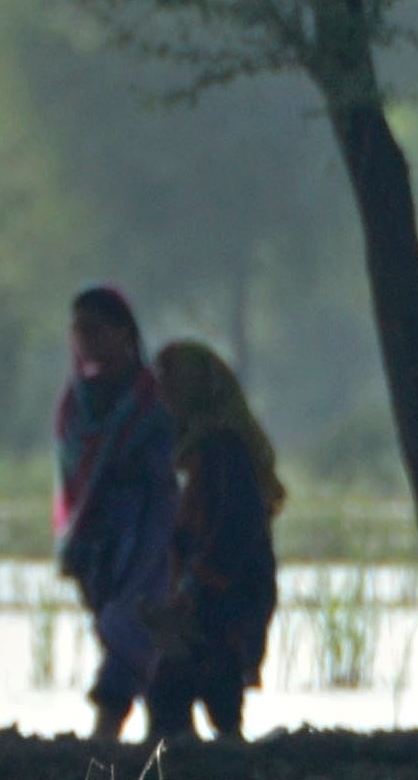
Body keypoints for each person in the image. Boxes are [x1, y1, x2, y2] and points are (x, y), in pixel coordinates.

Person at [53, 286, 178, 744]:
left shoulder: (149, 399)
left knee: (133, 622)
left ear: (123, 334)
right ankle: (158, 736)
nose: (85, 340)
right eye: (78, 330)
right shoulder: (76, 402)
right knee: (120, 628)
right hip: (95, 538)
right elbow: (73, 466)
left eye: (95, 329)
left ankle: (105, 734)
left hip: (146, 531)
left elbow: (163, 472)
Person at [148, 338, 284, 745]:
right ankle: (215, 768)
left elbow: (236, 528)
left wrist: (197, 585)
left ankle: (213, 771)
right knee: (191, 690)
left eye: (169, 384)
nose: (162, 396)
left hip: (228, 598)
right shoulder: (205, 450)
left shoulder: (223, 450)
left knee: (187, 686)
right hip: (216, 596)